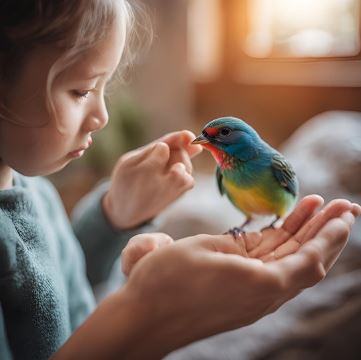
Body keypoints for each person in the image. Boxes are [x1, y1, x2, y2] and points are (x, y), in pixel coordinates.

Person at [0, 1, 359, 359]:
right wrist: (146, 316)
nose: (103, 116)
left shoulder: (37, 191)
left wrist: (114, 217)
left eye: (103, 89)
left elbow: (64, 286)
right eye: (82, 90)